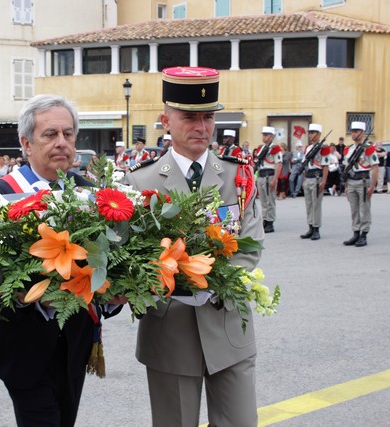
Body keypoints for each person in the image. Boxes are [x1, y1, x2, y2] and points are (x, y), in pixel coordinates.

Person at [124, 66, 263, 427]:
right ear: (165, 121)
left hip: (229, 325)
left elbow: (250, 245)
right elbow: (130, 253)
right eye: (189, 117)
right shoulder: (140, 181)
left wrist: (215, 283)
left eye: (208, 117)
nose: (201, 126)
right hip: (171, 330)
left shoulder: (238, 175)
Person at [0, 94, 122, 427]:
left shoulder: (93, 193)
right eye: (50, 134)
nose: (62, 143)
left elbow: (111, 264)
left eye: (68, 134)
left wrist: (113, 297)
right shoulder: (0, 195)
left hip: (74, 340)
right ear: (26, 143)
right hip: (21, 344)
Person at [342, 121, 379, 247]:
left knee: (364, 209)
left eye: (356, 131)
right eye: (352, 131)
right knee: (354, 209)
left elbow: (375, 168)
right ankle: (356, 233)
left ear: (362, 133)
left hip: (363, 181)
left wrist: (372, 186)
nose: (353, 134)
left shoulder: (368, 148)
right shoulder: (349, 149)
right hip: (351, 181)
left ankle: (364, 234)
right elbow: (347, 168)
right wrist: (346, 186)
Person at [299, 124, 330, 240]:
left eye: (313, 133)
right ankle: (310, 227)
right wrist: (304, 179)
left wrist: (324, 181)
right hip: (308, 177)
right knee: (309, 204)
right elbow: (305, 164)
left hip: (317, 177)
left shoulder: (324, 147)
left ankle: (316, 229)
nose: (310, 135)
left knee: (316, 205)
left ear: (319, 134)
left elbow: (325, 166)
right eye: (310, 133)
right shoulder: (308, 148)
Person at [254, 126, 283, 233]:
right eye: (263, 135)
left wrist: (275, 179)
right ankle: (265, 220)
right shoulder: (261, 148)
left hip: (269, 175)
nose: (264, 137)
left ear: (271, 136)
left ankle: (270, 222)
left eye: (266, 135)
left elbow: (279, 164)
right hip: (261, 175)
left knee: (270, 200)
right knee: (263, 201)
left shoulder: (275, 148)